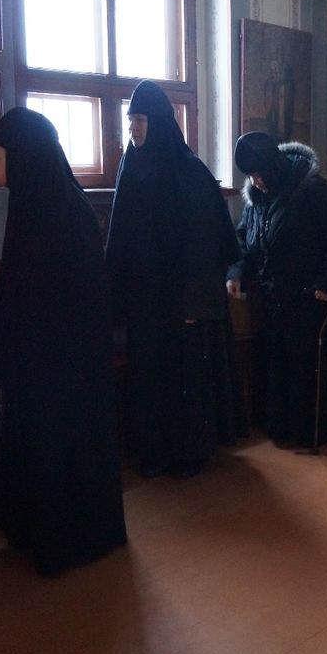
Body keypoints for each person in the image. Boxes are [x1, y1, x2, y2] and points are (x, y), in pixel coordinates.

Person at [0, 107, 127, 576]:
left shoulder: (62, 214)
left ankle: (66, 542)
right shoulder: (35, 202)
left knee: (57, 450)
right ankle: (34, 530)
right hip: (44, 363)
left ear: (24, 158)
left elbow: (58, 302)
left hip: (61, 369)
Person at [106, 80, 242, 479]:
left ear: (159, 122)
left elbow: (208, 242)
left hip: (182, 298)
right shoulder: (131, 164)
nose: (133, 128)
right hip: (145, 299)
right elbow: (120, 233)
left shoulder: (188, 170)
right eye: (130, 120)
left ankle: (188, 453)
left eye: (140, 120)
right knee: (149, 375)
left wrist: (193, 301)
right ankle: (153, 452)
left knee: (184, 376)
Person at [227, 133, 327, 447]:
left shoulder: (312, 190)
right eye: (250, 176)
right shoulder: (257, 197)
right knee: (277, 360)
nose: (255, 182)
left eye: (259, 174)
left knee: (302, 365)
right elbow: (244, 239)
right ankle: (281, 428)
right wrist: (236, 272)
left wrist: (326, 283)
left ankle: (306, 431)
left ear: (272, 166)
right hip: (273, 295)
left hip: (309, 295)